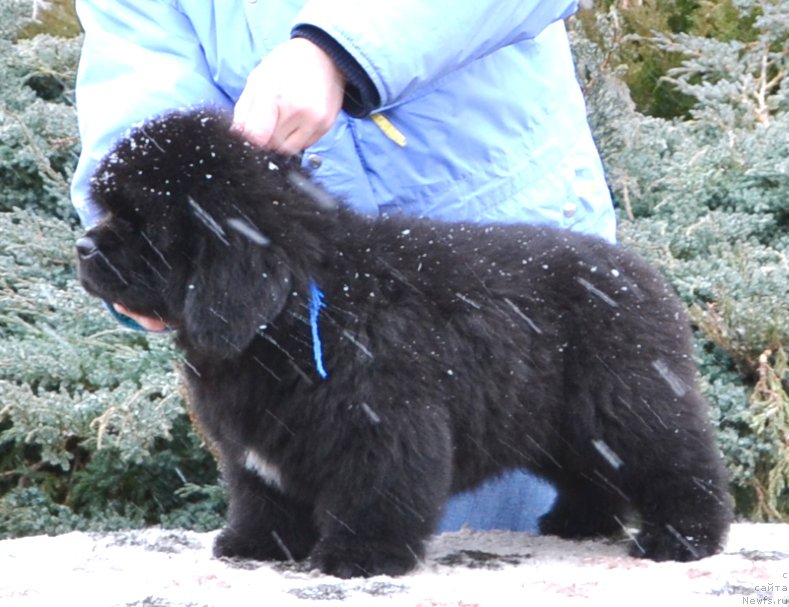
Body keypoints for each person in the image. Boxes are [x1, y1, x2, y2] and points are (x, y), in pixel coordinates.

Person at [70, 0, 616, 534]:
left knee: (510, 551)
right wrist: (149, 243)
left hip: (490, 281)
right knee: (309, 554)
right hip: (273, 294)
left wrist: (341, 48)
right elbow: (141, 71)